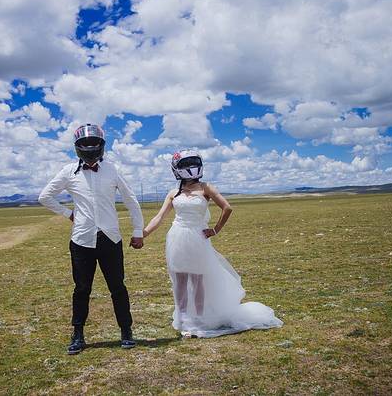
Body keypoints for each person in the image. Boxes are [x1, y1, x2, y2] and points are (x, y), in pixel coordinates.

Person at [143, 150, 283, 337]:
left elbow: (227, 207)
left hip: (197, 238)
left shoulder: (206, 188)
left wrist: (216, 230)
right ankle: (183, 318)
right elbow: (159, 217)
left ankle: (199, 318)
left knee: (197, 279)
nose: (190, 167)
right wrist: (143, 234)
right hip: (177, 238)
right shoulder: (173, 193)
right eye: (186, 164)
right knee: (180, 279)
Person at [38, 123, 144, 354]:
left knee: (118, 287)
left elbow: (131, 200)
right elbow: (45, 196)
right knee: (81, 289)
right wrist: (68, 213)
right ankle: (78, 335)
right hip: (82, 240)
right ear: (78, 147)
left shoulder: (112, 170)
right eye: (85, 144)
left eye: (93, 143)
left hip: (110, 239)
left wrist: (138, 231)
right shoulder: (68, 172)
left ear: (101, 145)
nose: (90, 147)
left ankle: (126, 331)